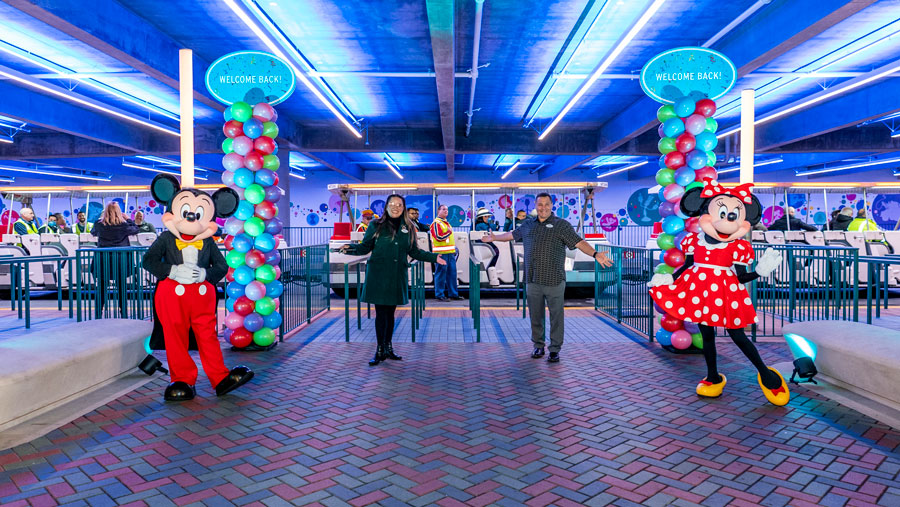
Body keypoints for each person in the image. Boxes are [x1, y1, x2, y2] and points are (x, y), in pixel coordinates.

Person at [647, 180, 789, 406]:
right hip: (700, 292)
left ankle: (766, 374)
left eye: (735, 215)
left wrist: (759, 272)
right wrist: (669, 278)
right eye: (722, 213)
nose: (727, 220)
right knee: (707, 335)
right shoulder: (695, 241)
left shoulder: (738, 246)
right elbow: (688, 266)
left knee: (738, 335)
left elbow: (741, 276)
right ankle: (713, 376)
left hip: (727, 292)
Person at [483, 193, 613, 362]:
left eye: (546, 204)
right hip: (533, 279)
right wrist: (494, 238)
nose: (543, 208)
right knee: (535, 316)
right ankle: (538, 346)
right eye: (540, 205)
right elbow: (511, 235)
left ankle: (554, 349)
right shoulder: (528, 224)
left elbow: (579, 242)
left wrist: (595, 254)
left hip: (554, 279)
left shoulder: (561, 226)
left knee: (556, 316)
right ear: (535, 206)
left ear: (552, 206)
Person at [341, 194, 446, 366]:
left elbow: (414, 251)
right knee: (381, 314)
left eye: (399, 204)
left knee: (390, 313)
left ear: (403, 208)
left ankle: (388, 347)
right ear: (386, 207)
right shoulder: (375, 225)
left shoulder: (409, 227)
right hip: (379, 274)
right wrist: (348, 249)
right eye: (392, 204)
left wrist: (434, 257)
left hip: (397, 274)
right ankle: (380, 349)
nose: (395, 207)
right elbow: (365, 247)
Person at [91, 203, 139, 318]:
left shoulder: (99, 224)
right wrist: (128, 219)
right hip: (120, 260)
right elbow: (136, 230)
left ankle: (98, 313)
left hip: (103, 260)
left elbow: (93, 232)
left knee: (101, 288)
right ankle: (123, 314)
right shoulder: (123, 225)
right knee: (121, 288)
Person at [430, 204, 462, 301]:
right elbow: (438, 237)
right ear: (438, 211)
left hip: (449, 253)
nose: (446, 211)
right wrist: (448, 232)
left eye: (447, 210)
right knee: (440, 274)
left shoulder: (446, 223)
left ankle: (453, 294)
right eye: (443, 209)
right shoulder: (436, 223)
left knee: (452, 274)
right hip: (441, 254)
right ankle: (439, 295)